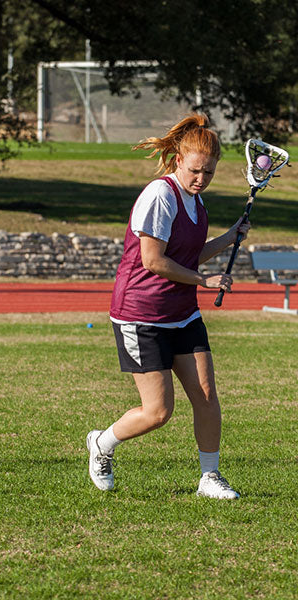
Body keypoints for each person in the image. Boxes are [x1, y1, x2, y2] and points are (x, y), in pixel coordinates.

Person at [87, 114, 250, 499]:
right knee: (157, 412)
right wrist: (204, 281)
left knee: (207, 395)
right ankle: (101, 444)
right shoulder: (160, 195)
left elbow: (190, 254)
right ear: (178, 160)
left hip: (181, 313)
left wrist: (229, 238)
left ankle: (209, 478)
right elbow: (154, 261)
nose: (201, 179)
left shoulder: (197, 202)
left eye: (208, 173)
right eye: (195, 171)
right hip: (140, 314)